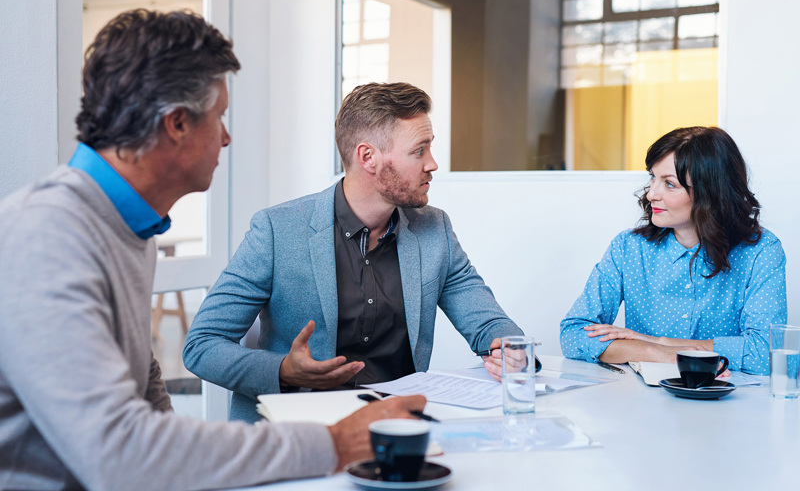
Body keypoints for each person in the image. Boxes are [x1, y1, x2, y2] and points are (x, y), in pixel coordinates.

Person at [0, 9, 425, 491]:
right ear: (177, 123)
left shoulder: (127, 228)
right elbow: (120, 455)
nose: (226, 136)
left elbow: (145, 386)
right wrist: (332, 444)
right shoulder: (48, 236)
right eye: (219, 116)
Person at [183, 81, 524, 423]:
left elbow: (488, 320)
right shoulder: (277, 231)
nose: (432, 164)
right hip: (299, 433)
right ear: (368, 157)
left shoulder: (434, 230)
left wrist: (507, 348)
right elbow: (202, 345)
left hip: (397, 427)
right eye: (419, 150)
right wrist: (285, 370)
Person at [559, 126, 786, 375]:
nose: (651, 194)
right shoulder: (629, 247)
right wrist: (657, 354)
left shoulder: (761, 252)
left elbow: (767, 353)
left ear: (711, 193)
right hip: (644, 403)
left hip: (730, 403)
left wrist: (659, 341)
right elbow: (573, 334)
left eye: (669, 184)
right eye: (652, 178)